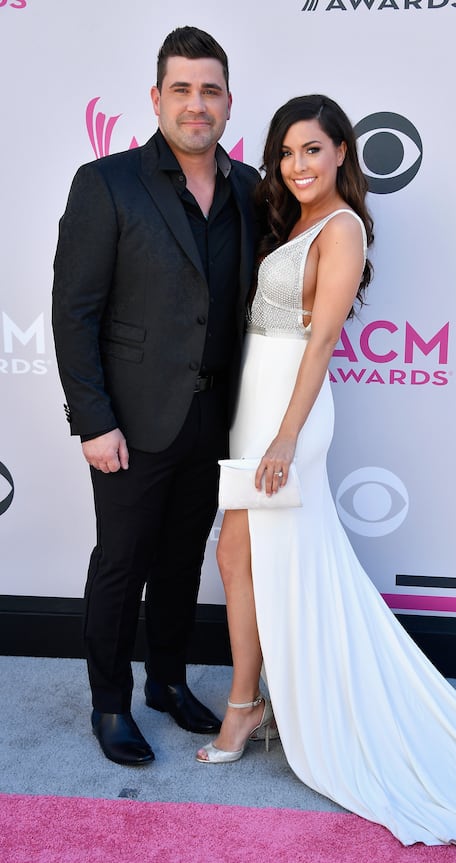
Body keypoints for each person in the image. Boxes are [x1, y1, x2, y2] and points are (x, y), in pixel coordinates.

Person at [194, 93, 456, 846]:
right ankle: (253, 700)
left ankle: (247, 703)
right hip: (260, 403)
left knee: (255, 552)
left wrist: (285, 438)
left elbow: (318, 345)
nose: (297, 164)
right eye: (286, 152)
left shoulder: (342, 227)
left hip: (290, 412)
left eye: (312, 149)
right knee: (237, 552)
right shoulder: (299, 221)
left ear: (343, 152)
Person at [51, 26, 259, 766]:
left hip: (215, 414)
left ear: (228, 101)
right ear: (156, 98)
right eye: (182, 89)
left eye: (210, 90)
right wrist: (95, 420)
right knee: (122, 560)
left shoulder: (248, 188)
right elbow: (73, 311)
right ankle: (110, 703)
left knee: (180, 562)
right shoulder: (106, 182)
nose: (196, 104)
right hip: (132, 420)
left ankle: (166, 681)